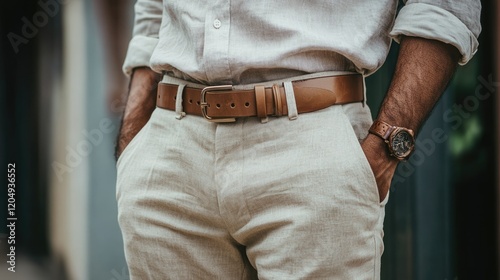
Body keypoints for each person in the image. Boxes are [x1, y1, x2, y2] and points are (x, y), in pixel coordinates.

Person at [115, 1, 481, 279]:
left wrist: (388, 141)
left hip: (312, 149)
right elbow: (152, 16)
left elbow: (443, 7)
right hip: (171, 152)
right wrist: (133, 142)